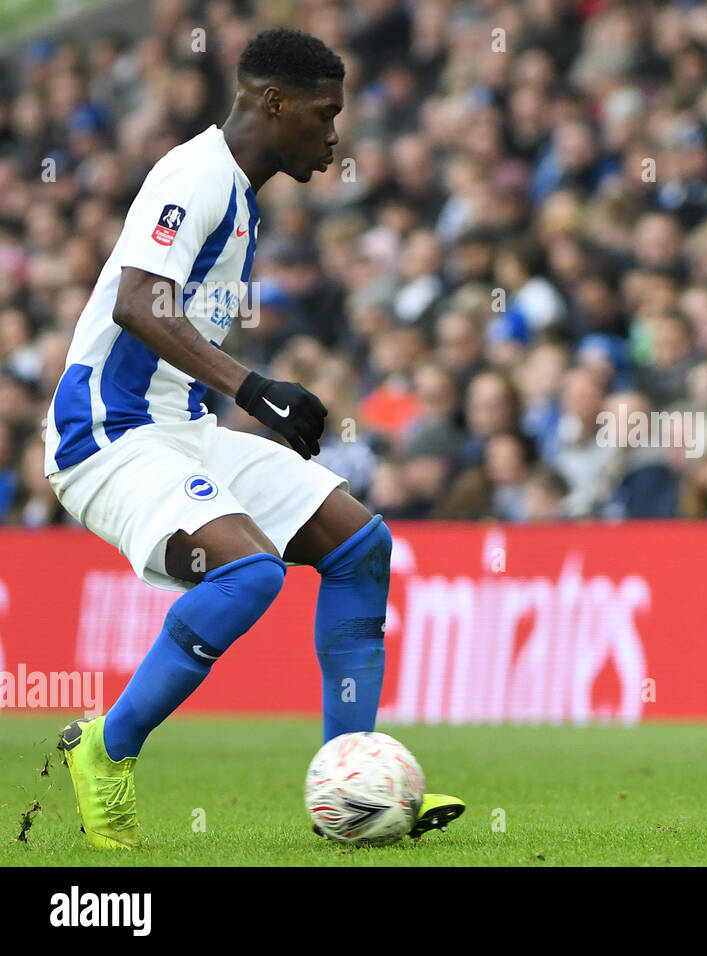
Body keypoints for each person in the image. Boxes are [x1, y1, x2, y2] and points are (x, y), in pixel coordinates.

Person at [43, 28, 463, 849]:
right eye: (324, 113)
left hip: (180, 431)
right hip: (107, 436)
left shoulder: (240, 197)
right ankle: (104, 749)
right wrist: (252, 387)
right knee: (248, 574)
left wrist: (241, 394)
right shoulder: (192, 175)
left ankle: (351, 785)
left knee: (358, 546)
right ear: (274, 103)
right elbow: (138, 303)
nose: (335, 134)